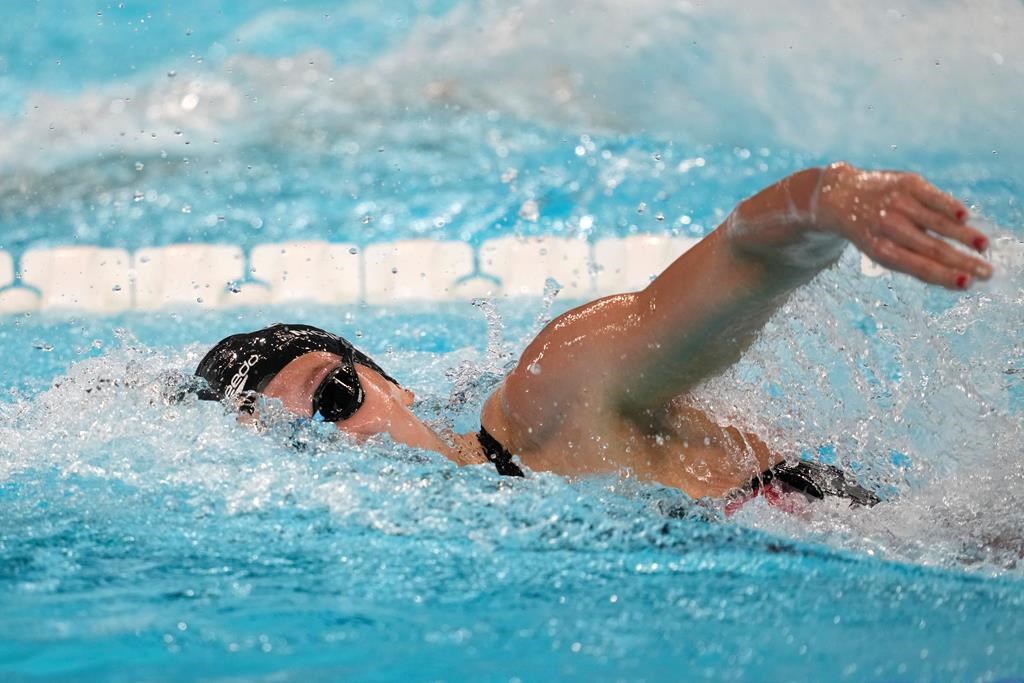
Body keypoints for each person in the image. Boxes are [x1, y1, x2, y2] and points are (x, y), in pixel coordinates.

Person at [194, 163, 993, 511]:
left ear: (392, 383)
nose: (345, 443)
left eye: (336, 397)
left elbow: (738, 256)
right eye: (300, 448)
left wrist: (830, 198)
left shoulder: (548, 397)